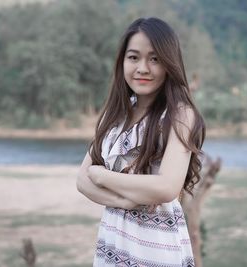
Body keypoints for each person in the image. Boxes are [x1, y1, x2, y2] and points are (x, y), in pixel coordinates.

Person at [76, 17, 205, 267]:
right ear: (122, 61)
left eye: (154, 59)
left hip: (155, 251)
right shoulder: (115, 115)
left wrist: (101, 176)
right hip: (112, 246)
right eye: (133, 57)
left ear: (170, 64)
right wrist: (122, 201)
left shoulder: (179, 114)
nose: (142, 68)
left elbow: (167, 187)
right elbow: (82, 181)